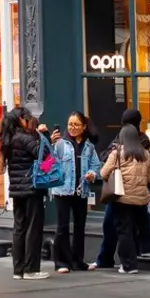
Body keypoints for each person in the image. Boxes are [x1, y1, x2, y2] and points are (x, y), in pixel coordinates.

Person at [1, 106, 50, 280]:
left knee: (19, 228)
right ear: (22, 119)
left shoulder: (9, 139)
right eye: (28, 119)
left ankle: (18, 269)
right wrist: (43, 137)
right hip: (32, 187)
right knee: (33, 228)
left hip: (16, 189)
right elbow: (43, 156)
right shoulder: (25, 138)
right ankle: (31, 269)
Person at [50, 111, 101, 274]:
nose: (72, 128)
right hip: (61, 191)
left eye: (76, 125)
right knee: (62, 227)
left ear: (84, 127)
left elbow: (96, 166)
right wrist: (49, 146)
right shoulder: (59, 144)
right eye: (70, 124)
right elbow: (47, 165)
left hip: (81, 190)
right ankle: (61, 262)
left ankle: (78, 261)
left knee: (80, 226)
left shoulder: (89, 146)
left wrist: (92, 174)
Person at [98, 125, 150, 273]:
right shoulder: (146, 154)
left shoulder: (117, 154)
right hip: (140, 199)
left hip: (122, 198)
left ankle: (129, 265)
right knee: (134, 229)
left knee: (124, 231)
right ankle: (134, 259)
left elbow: (103, 173)